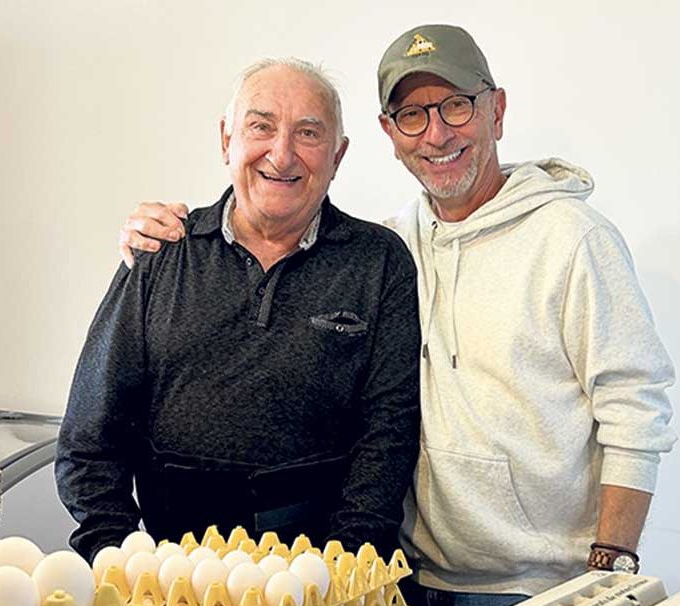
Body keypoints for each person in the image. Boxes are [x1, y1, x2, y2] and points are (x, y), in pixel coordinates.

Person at [117, 26, 676, 606]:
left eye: (456, 106)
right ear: (388, 135)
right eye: (412, 115)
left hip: (539, 593)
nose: (436, 134)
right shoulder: (388, 249)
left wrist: (610, 568)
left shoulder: (573, 240)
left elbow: (635, 411)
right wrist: (152, 231)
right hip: (405, 578)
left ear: (497, 111)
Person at [57, 58, 421, 562]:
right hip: (166, 574)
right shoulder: (163, 253)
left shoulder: (378, 263)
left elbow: (388, 438)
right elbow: (89, 438)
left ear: (337, 157)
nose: (282, 153)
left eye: (308, 133)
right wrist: (119, 557)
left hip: (321, 580)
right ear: (226, 139)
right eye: (261, 126)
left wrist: (343, 574)